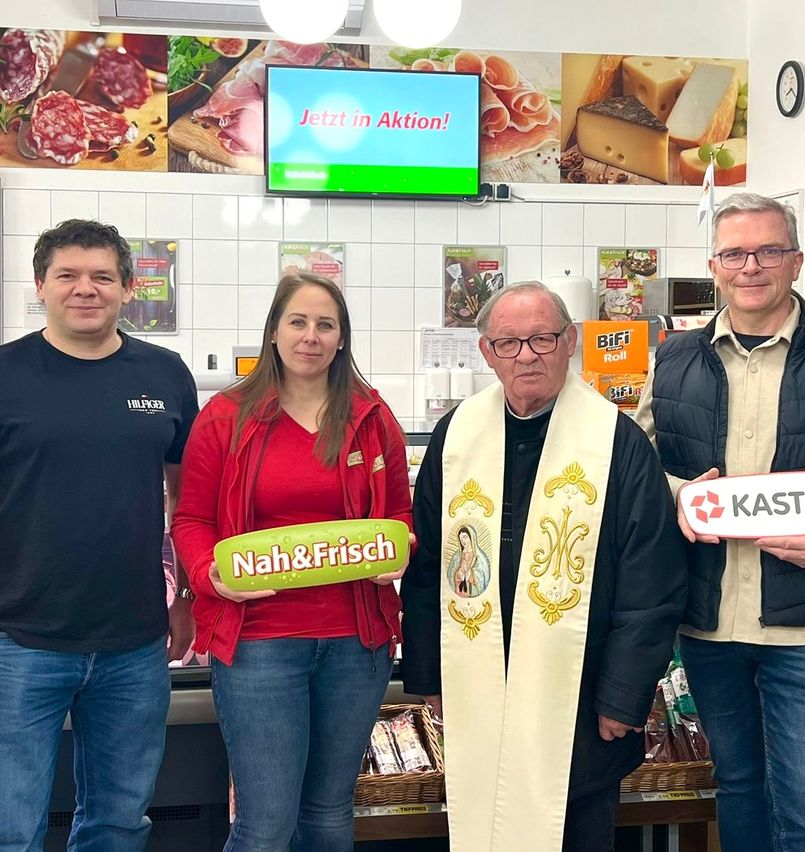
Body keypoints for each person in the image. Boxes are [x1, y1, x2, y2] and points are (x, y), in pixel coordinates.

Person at [401, 281, 687, 852]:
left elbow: (651, 581)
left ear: (571, 342)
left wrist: (623, 695)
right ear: (486, 352)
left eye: (542, 338)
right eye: (509, 342)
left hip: (582, 699)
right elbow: (430, 562)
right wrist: (431, 675)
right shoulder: (456, 434)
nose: (527, 355)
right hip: (480, 683)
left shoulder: (617, 441)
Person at [635, 192, 805, 852]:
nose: (751, 266)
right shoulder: (673, 358)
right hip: (710, 623)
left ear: (796, 261)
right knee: (737, 790)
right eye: (735, 253)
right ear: (714, 264)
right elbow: (641, 464)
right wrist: (678, 496)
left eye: (768, 250)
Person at [171, 272, 414, 851]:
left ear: (341, 338)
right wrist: (209, 575)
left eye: (325, 325)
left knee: (330, 814)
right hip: (259, 642)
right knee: (266, 824)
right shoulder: (225, 417)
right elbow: (191, 520)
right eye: (298, 322)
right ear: (274, 332)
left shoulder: (371, 417)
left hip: (357, 645)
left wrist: (401, 549)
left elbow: (401, 517)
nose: (311, 336)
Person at [0, 219, 198, 850]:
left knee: (118, 822)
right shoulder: (7, 373)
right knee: (12, 827)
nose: (85, 289)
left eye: (102, 276)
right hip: (19, 640)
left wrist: (186, 597)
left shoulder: (165, 374)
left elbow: (184, 495)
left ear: (127, 287)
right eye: (68, 275)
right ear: (41, 285)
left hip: (135, 641)